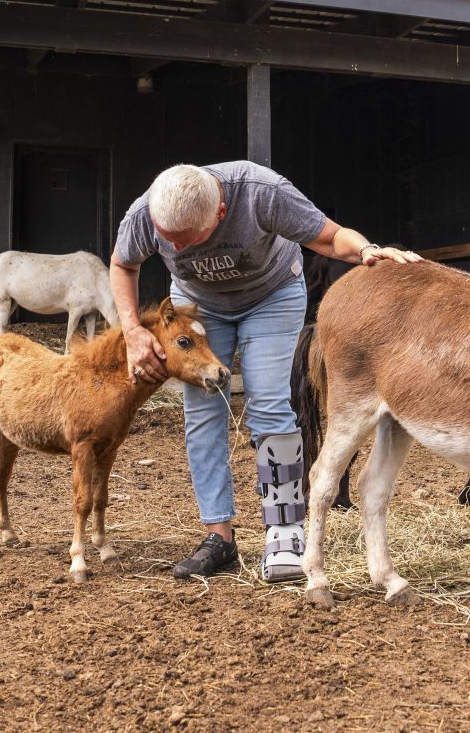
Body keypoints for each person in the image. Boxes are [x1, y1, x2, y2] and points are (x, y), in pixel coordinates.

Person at [110, 161, 422, 583]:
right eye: (169, 241)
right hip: (199, 306)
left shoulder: (260, 192)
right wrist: (131, 329)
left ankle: (285, 529)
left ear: (220, 214)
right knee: (202, 414)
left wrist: (367, 251)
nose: (177, 249)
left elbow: (330, 238)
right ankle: (217, 536)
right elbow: (123, 264)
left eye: (188, 241)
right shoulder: (145, 214)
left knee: (269, 403)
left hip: (270, 297)